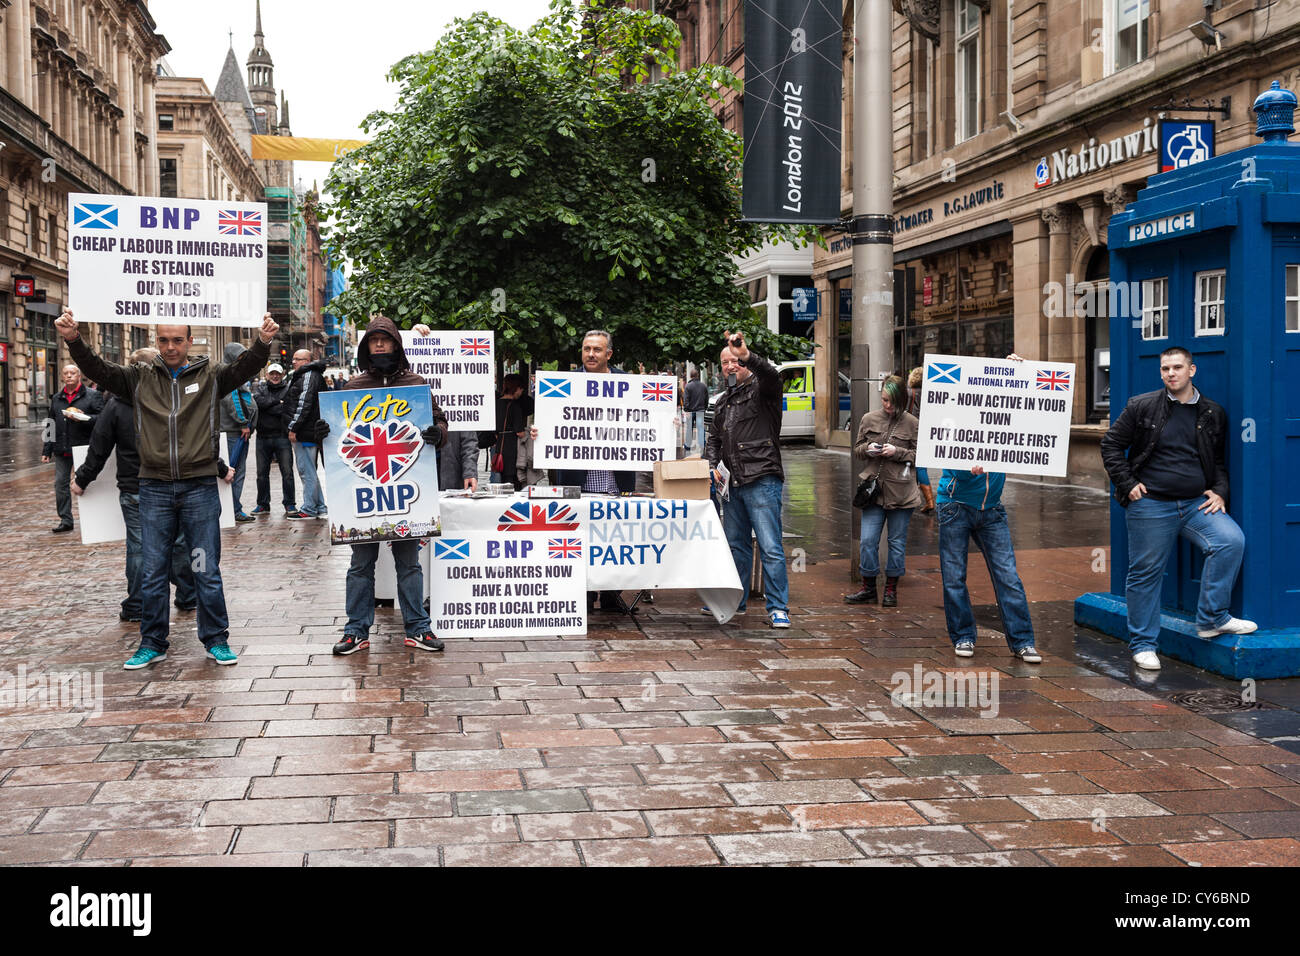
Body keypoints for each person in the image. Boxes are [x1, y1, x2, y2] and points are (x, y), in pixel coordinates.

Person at [55, 310, 277, 670]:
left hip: (199, 488)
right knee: (153, 570)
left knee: (204, 567)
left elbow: (246, 367)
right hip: (154, 488)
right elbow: (97, 369)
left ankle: (216, 639)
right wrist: (73, 339)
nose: (170, 346)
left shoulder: (210, 375)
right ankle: (152, 642)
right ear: (156, 342)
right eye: (163, 340)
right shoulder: (139, 377)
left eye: (177, 340)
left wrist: (264, 341)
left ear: (189, 341)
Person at [1100, 345, 1255, 671]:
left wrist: (1220, 491)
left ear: (1191, 370)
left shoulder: (1213, 412)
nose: (1171, 373)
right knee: (1145, 573)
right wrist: (1128, 484)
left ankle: (1212, 618)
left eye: (1177, 368)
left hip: (1196, 503)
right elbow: (1111, 444)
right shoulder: (1141, 407)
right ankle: (1143, 644)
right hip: (1151, 505)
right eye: (1165, 369)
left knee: (1231, 541)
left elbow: (1217, 461)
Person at [332, 315, 449, 656]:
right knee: (360, 564)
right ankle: (356, 631)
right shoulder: (353, 387)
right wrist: (323, 431)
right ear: (366, 347)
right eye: (374, 340)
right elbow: (335, 430)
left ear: (397, 344)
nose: (380, 344)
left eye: (386, 339)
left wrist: (437, 433)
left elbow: (439, 419)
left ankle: (418, 628)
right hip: (365, 494)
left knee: (409, 563)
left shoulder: (415, 383)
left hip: (406, 492)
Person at [72, 348, 200, 622]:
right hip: (170, 484)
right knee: (178, 543)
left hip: (136, 488)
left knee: (141, 547)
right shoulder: (170, 400)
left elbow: (99, 447)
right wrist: (222, 469)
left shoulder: (116, 406)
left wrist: (82, 479)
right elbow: (193, 441)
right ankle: (188, 595)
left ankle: (137, 604)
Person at [705, 330, 791, 629]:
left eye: (736, 361)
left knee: (769, 546)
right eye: (726, 362)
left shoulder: (762, 390)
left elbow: (771, 375)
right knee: (736, 546)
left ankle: (778, 608)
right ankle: (736, 602)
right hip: (732, 485)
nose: (731, 366)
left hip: (761, 479)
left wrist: (747, 354)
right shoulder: (724, 401)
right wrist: (712, 466)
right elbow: (714, 438)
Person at [555, 330, 637, 613]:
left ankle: (613, 594)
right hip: (580, 479)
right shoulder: (566, 383)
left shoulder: (627, 383)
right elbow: (554, 421)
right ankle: (586, 595)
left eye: (597, 350)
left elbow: (644, 420)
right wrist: (541, 431)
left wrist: (664, 426)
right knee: (582, 538)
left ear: (609, 354)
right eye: (586, 349)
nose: (591, 354)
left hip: (616, 478)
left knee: (616, 539)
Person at [936, 464, 1042, 663]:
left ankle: (1023, 641)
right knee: (954, 577)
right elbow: (950, 459)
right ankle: (963, 637)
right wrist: (967, 469)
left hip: (992, 508)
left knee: (1008, 576)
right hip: (955, 505)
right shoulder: (957, 431)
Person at [845, 375, 922, 608]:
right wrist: (868, 449)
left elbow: (920, 457)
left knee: (896, 542)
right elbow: (857, 450)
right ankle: (868, 587)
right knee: (868, 541)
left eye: (892, 401)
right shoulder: (869, 418)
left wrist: (896, 452)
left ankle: (891, 589)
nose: (888, 406)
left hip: (903, 492)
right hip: (874, 491)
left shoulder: (913, 423)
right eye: (884, 400)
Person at [42, 363, 104, 533]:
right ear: (62, 377)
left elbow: (103, 419)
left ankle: (95, 518)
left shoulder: (93, 396)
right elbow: (50, 424)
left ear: (79, 376)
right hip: (62, 448)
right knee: (60, 485)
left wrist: (84, 418)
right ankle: (66, 520)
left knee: (87, 482)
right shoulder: (57, 398)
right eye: (66, 373)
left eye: (72, 373)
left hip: (84, 447)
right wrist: (46, 450)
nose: (69, 376)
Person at [284, 348, 328, 519]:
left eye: (298, 359)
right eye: (293, 358)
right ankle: (320, 506)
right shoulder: (308, 374)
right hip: (308, 430)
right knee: (309, 470)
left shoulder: (309, 375)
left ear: (308, 361)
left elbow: (304, 403)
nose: (293, 361)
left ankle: (309, 508)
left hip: (305, 432)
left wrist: (293, 428)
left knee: (306, 470)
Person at [218, 342, 259, 522]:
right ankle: (233, 509)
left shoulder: (231, 373)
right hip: (234, 431)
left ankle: (232, 508)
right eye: (240, 356)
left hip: (235, 430)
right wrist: (243, 422)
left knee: (233, 470)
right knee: (234, 471)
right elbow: (232, 400)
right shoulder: (229, 374)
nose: (243, 360)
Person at [251, 362, 296, 516]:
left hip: (282, 436)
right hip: (262, 437)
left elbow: (286, 409)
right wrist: (277, 402)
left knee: (288, 473)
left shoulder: (288, 389)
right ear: (268, 375)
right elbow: (258, 403)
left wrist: (269, 407)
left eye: (278, 373)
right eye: (272, 374)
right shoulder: (260, 388)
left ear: (282, 374)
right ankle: (263, 504)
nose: (275, 376)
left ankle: (290, 503)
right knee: (261, 474)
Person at [490, 374, 528, 490]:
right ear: (516, 388)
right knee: (511, 479)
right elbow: (520, 432)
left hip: (498, 446)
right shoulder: (515, 406)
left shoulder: (495, 404)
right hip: (512, 447)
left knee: (498, 477)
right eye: (521, 389)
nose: (521, 392)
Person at [907, 366, 936, 514]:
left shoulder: (910, 392)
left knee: (917, 465)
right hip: (927, 431)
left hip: (913, 431)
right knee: (920, 464)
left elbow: (905, 412)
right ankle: (926, 500)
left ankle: (928, 501)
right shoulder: (931, 393)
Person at [684, 368, 709, 455]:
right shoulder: (703, 386)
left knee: (689, 429)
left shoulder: (688, 386)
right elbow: (706, 399)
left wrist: (686, 410)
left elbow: (686, 400)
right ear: (697, 375)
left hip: (690, 411)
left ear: (691, 376)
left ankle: (687, 446)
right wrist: (704, 408)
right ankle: (702, 446)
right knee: (701, 429)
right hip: (700, 411)